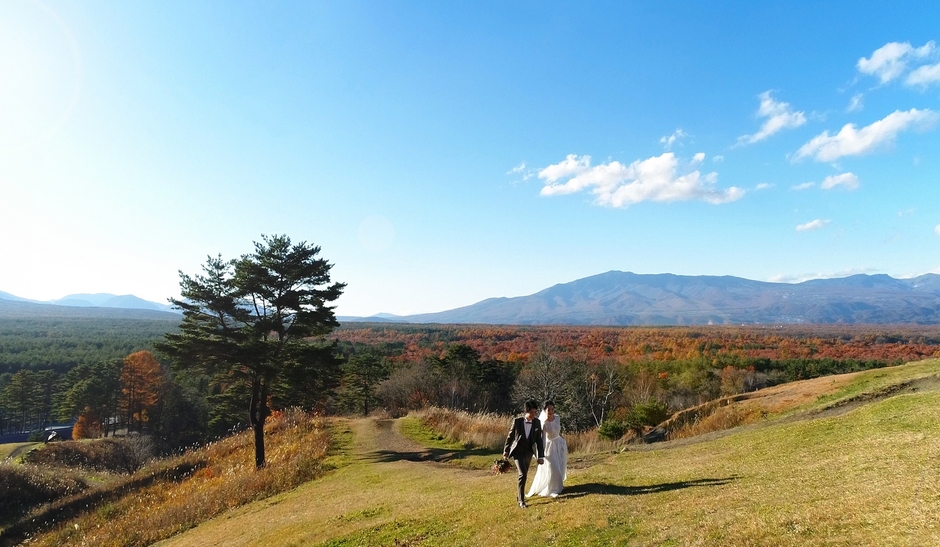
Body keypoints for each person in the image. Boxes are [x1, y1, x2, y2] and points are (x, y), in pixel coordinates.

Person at [503, 399, 545, 509]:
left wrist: (540, 456)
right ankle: (521, 500)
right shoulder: (517, 421)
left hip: (529, 452)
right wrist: (506, 451)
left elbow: (539, 441)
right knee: (523, 474)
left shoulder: (537, 422)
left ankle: (519, 495)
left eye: (535, 412)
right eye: (532, 412)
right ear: (526, 411)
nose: (534, 414)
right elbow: (510, 437)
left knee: (524, 475)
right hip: (518, 451)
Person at [526, 400, 568, 498]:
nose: (550, 411)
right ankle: (552, 489)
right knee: (553, 467)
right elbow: (543, 439)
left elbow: (558, 431)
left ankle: (558, 487)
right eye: (548, 409)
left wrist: (562, 441)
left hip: (560, 444)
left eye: (552, 409)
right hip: (550, 446)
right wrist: (541, 453)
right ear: (545, 410)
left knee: (560, 465)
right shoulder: (543, 423)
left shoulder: (557, 418)